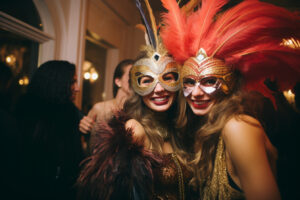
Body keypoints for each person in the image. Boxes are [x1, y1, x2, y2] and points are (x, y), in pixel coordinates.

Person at [160, 0, 300, 199]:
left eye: (209, 81)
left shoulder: (238, 127)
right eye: (189, 82)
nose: (197, 93)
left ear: (230, 84)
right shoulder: (211, 128)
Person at [76, 1, 199, 199]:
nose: (159, 89)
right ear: (136, 88)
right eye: (147, 81)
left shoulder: (182, 129)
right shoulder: (135, 130)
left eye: (167, 78)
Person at [15, 60, 85, 200]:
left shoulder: (72, 113)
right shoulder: (27, 114)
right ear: (56, 83)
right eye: (72, 82)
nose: (77, 88)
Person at [79, 59, 134, 134]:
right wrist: (83, 126)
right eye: (131, 75)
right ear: (118, 82)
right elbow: (86, 131)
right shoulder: (100, 108)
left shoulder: (138, 111)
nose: (134, 80)